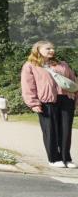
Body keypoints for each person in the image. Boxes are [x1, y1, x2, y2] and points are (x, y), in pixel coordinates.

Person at [21, 40, 77, 168]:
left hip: (66, 99)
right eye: (48, 48)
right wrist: (33, 103)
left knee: (66, 131)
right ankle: (53, 158)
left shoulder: (62, 64)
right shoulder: (30, 66)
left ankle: (66, 158)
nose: (51, 50)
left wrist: (75, 99)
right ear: (38, 50)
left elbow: (73, 83)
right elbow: (28, 86)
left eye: (52, 48)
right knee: (50, 130)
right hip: (46, 101)